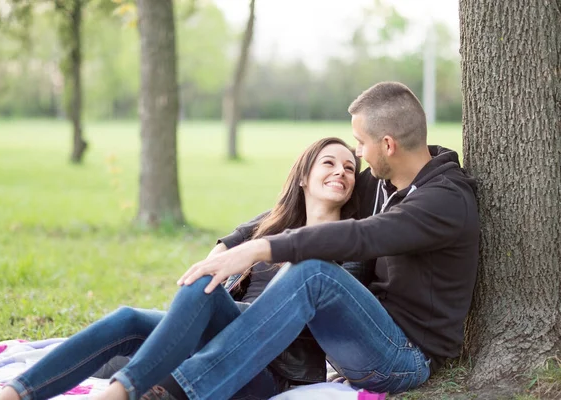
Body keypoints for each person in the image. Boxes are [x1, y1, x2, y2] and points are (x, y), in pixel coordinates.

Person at [146, 81, 479, 399]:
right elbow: (300, 206)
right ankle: (131, 382)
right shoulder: (380, 183)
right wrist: (237, 240)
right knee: (134, 323)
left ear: (388, 145)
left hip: (406, 360)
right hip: (366, 336)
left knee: (314, 274)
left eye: (360, 143)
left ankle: (181, 391)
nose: (358, 153)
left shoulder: (443, 201)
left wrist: (262, 248)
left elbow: (362, 236)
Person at [0, 137, 363, 400]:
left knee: (200, 290)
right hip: (222, 335)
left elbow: (338, 315)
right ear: (303, 177)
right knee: (128, 319)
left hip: (272, 370)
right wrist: (195, 308)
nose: (341, 172)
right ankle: (17, 392)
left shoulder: (354, 240)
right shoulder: (271, 226)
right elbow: (223, 250)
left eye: (349, 167)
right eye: (328, 163)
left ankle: (121, 392)